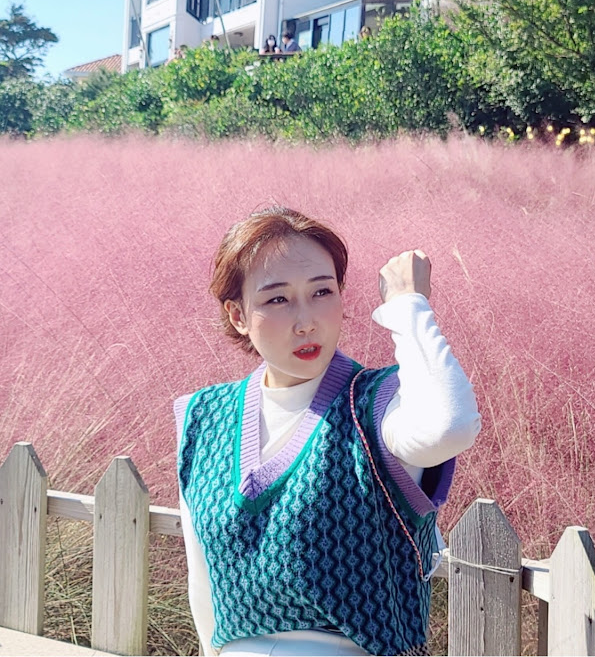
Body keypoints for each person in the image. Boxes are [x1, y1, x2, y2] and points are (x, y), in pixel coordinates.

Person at [175, 207, 481, 657]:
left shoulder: (375, 408)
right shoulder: (202, 417)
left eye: (322, 292)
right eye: (277, 300)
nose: (306, 321)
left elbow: (449, 425)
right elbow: (204, 588)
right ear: (238, 315)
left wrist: (407, 303)